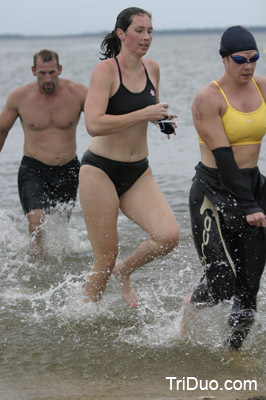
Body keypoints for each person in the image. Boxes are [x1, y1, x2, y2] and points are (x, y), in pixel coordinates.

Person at [79, 7, 179, 306]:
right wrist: (143, 114)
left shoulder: (152, 68)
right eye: (139, 30)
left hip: (138, 171)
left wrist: (163, 122)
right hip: (100, 171)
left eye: (150, 30)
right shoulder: (106, 71)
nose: (146, 37)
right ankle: (84, 315)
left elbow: (152, 109)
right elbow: (93, 124)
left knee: (168, 236)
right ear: (122, 34)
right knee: (104, 259)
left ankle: (126, 271)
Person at [183, 26, 266, 349]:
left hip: (252, 186)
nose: (248, 66)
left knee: (249, 286)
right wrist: (250, 206)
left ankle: (232, 353)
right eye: (240, 60)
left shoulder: (262, 89)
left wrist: (254, 199)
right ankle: (189, 307)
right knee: (222, 283)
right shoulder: (208, 98)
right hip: (213, 190)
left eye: (254, 59)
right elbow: (224, 157)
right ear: (224, 60)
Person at [0, 49, 88, 249]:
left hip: (69, 169)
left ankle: (55, 268)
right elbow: (2, 131)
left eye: (52, 72)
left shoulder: (79, 93)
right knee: (36, 221)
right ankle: (37, 264)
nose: (48, 78)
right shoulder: (19, 98)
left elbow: (101, 120)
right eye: (42, 73)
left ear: (60, 69)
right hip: (33, 169)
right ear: (33, 71)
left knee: (59, 229)